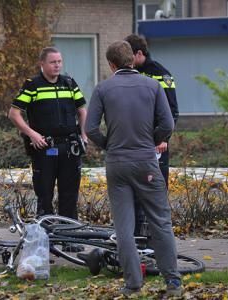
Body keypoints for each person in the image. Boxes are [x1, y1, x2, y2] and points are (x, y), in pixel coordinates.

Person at [85, 40, 182, 296]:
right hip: (146, 161)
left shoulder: (103, 89)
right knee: (160, 221)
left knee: (124, 228)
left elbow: (90, 129)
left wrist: (109, 145)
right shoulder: (152, 85)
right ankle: (172, 281)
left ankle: (133, 284)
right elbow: (168, 123)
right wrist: (151, 141)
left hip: (117, 163)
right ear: (132, 59)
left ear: (111, 64)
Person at [8, 47, 87, 251]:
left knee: (69, 195)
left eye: (60, 61)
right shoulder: (33, 86)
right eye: (53, 62)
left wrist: (84, 136)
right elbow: (14, 113)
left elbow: (82, 110)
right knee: (44, 195)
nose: (57, 65)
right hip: (45, 150)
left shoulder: (69, 83)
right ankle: (45, 242)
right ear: (42, 64)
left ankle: (70, 240)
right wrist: (31, 134)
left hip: (69, 148)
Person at [124, 34, 179, 237]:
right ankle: (136, 236)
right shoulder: (127, 73)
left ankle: (156, 237)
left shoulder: (161, 74)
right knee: (133, 194)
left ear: (139, 53)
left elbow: (172, 112)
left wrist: (163, 139)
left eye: (129, 55)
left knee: (155, 192)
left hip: (156, 144)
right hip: (133, 142)